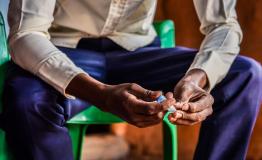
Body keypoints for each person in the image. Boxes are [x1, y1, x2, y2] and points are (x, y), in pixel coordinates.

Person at [1, 0, 261, 159]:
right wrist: (100, 94)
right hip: (63, 52)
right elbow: (25, 34)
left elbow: (224, 25)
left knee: (245, 75)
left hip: (141, 53)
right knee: (27, 100)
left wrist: (197, 78)